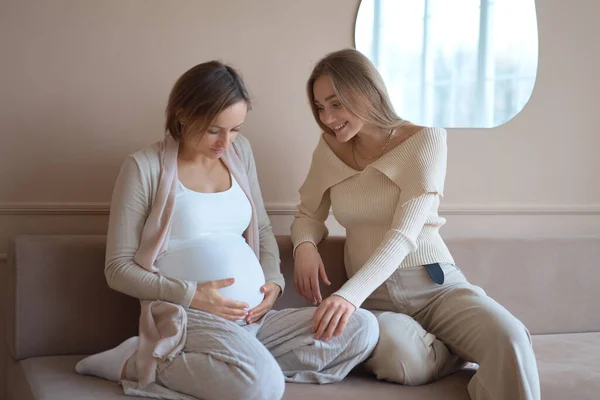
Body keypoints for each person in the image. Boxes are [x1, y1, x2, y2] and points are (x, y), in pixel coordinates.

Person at [75, 60, 379, 400]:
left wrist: (274, 283)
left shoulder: (240, 153)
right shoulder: (143, 167)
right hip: (191, 317)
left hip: (255, 320)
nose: (225, 142)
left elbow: (261, 228)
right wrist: (192, 295)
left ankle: (235, 364)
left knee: (362, 327)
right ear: (182, 115)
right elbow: (117, 270)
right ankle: (143, 361)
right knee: (263, 387)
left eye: (235, 129)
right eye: (213, 130)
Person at [291, 48, 540, 400]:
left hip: (435, 284)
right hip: (375, 301)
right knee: (402, 361)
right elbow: (308, 214)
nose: (328, 117)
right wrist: (304, 245)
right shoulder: (329, 150)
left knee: (511, 337)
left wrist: (348, 296)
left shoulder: (425, 140)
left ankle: (460, 340)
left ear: (367, 92)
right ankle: (453, 353)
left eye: (336, 103)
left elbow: (405, 234)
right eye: (320, 107)